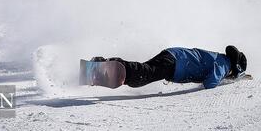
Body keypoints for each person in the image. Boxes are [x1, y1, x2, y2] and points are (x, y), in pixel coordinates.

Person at [92, 45, 247, 89]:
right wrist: (226, 82)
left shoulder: (220, 59)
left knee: (142, 74)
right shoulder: (224, 64)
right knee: (143, 74)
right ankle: (103, 65)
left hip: (173, 57)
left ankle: (107, 64)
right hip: (175, 63)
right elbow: (210, 83)